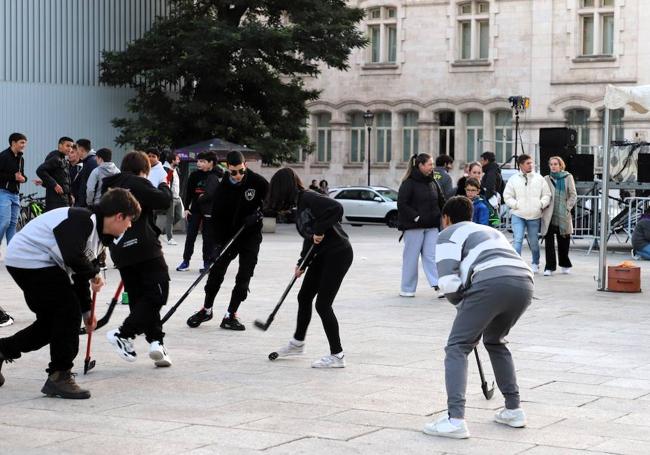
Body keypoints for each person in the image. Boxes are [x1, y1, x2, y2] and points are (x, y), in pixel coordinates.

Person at [0, 188, 141, 398]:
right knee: (67, 313)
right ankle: (60, 375)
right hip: (30, 259)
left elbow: (79, 275)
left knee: (51, 324)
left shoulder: (97, 236)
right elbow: (72, 255)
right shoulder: (82, 219)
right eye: (129, 220)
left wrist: (87, 311)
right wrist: (94, 274)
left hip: (38, 263)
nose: (129, 225)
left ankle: (3, 350)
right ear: (119, 216)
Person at [424, 196, 533, 439]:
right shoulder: (487, 230)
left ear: (446, 218)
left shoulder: (448, 233)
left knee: (457, 346)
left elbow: (448, 281)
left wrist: (460, 304)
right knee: (495, 340)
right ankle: (514, 409)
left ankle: (455, 420)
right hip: (523, 283)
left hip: (490, 282)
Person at [266, 167, 353, 368]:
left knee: (323, 304)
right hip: (321, 255)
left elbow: (337, 208)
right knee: (304, 296)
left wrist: (321, 229)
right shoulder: (299, 204)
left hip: (338, 254)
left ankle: (337, 355)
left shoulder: (309, 197)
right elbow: (310, 237)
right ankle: (297, 343)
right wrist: (301, 263)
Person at [102, 152, 173, 367]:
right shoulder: (137, 183)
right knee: (158, 293)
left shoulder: (109, 184)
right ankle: (123, 334)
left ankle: (156, 343)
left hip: (119, 249)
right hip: (145, 247)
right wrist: (163, 183)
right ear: (144, 170)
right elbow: (164, 200)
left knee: (140, 297)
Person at [186, 151, 268, 331]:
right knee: (216, 272)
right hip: (227, 236)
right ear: (227, 169)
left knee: (244, 276)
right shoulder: (221, 188)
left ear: (245, 165)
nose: (238, 176)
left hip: (250, 236)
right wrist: (217, 244)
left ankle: (231, 314)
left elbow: (270, 203)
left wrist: (258, 214)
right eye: (234, 172)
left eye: (241, 171)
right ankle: (206, 309)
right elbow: (216, 218)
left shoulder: (258, 182)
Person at [397, 153, 444, 298]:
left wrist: (444, 214)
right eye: (429, 164)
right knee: (411, 258)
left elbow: (441, 200)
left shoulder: (433, 182)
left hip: (432, 226)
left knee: (432, 256)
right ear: (420, 165)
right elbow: (402, 204)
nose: (432, 167)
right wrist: (416, 217)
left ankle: (438, 286)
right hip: (414, 227)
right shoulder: (408, 183)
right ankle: (407, 289)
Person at [503, 154, 551, 273]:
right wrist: (515, 205)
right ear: (521, 165)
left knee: (534, 241)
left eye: (531, 162)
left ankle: (535, 263)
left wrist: (540, 204)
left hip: (534, 216)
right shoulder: (513, 179)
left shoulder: (539, 179)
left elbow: (547, 194)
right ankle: (517, 264)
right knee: (518, 239)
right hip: (518, 215)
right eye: (528, 163)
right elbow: (507, 196)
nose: (531, 165)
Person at [177, 151, 219, 271]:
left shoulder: (216, 176)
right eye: (198, 161)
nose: (199, 163)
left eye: (202, 161)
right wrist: (186, 208)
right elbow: (188, 193)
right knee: (190, 236)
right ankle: (186, 261)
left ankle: (207, 262)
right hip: (194, 210)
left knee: (208, 238)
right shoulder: (194, 175)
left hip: (209, 211)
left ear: (210, 163)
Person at [541, 156, 577, 276]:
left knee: (564, 241)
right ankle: (549, 267)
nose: (553, 166)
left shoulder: (568, 177)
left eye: (556, 164)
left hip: (563, 214)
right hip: (549, 214)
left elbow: (573, 195)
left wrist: (567, 207)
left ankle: (565, 264)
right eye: (551, 164)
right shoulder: (546, 178)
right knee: (549, 243)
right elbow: (542, 194)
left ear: (561, 165)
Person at [0, 133, 28, 247]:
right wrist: (13, 177)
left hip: (15, 195)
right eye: (22, 142)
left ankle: (12, 251)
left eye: (25, 143)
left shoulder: (21, 159)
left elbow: (22, 175)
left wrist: (23, 179)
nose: (24, 145)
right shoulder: (3, 156)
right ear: (13, 143)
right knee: (5, 222)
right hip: (3, 193)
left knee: (13, 224)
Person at [36, 137, 74, 211]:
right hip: (56, 202)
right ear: (60, 146)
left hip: (64, 199)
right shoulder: (56, 158)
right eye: (68, 146)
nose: (70, 149)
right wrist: (55, 184)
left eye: (71, 146)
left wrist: (70, 196)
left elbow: (60, 179)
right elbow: (40, 170)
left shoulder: (63, 159)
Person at [162, 151, 184, 245]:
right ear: (172, 160)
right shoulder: (166, 169)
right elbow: (166, 183)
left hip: (177, 197)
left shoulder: (176, 169)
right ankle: (170, 238)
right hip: (170, 197)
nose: (179, 160)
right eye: (177, 159)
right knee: (170, 218)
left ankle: (163, 231)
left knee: (179, 216)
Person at [74, 139, 97, 207]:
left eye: (77, 149)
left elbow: (91, 186)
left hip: (87, 205)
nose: (76, 152)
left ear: (81, 149)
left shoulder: (91, 162)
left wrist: (88, 203)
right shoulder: (88, 161)